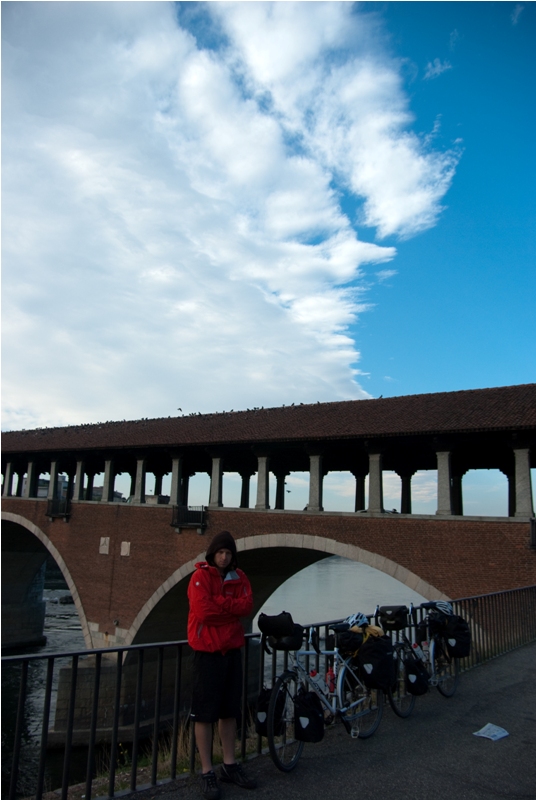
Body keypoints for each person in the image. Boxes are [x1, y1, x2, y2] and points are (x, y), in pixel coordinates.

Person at [188, 530, 257, 800]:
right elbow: (204, 612)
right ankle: (207, 771)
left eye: (228, 553)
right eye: (220, 552)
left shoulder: (240, 577)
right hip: (207, 653)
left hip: (231, 651)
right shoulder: (198, 578)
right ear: (212, 554)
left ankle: (229, 765)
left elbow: (247, 606)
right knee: (204, 714)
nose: (224, 557)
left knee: (229, 711)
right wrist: (231, 608)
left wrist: (221, 604)